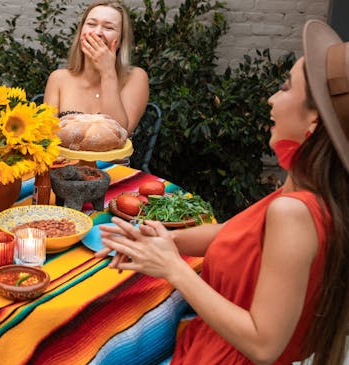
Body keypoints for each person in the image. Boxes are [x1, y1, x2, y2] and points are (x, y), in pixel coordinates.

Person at [97, 20, 349, 365]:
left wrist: (174, 268)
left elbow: (264, 345)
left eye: (286, 88)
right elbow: (239, 236)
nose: (272, 98)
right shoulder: (312, 190)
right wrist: (164, 242)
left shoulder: (295, 212)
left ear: (314, 123)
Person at [43, 0, 149, 135]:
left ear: (121, 41)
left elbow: (118, 135)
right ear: (81, 32)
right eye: (91, 24)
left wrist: (108, 72)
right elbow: (47, 137)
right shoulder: (58, 78)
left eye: (109, 28)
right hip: (62, 156)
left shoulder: (136, 77)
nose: (98, 32)